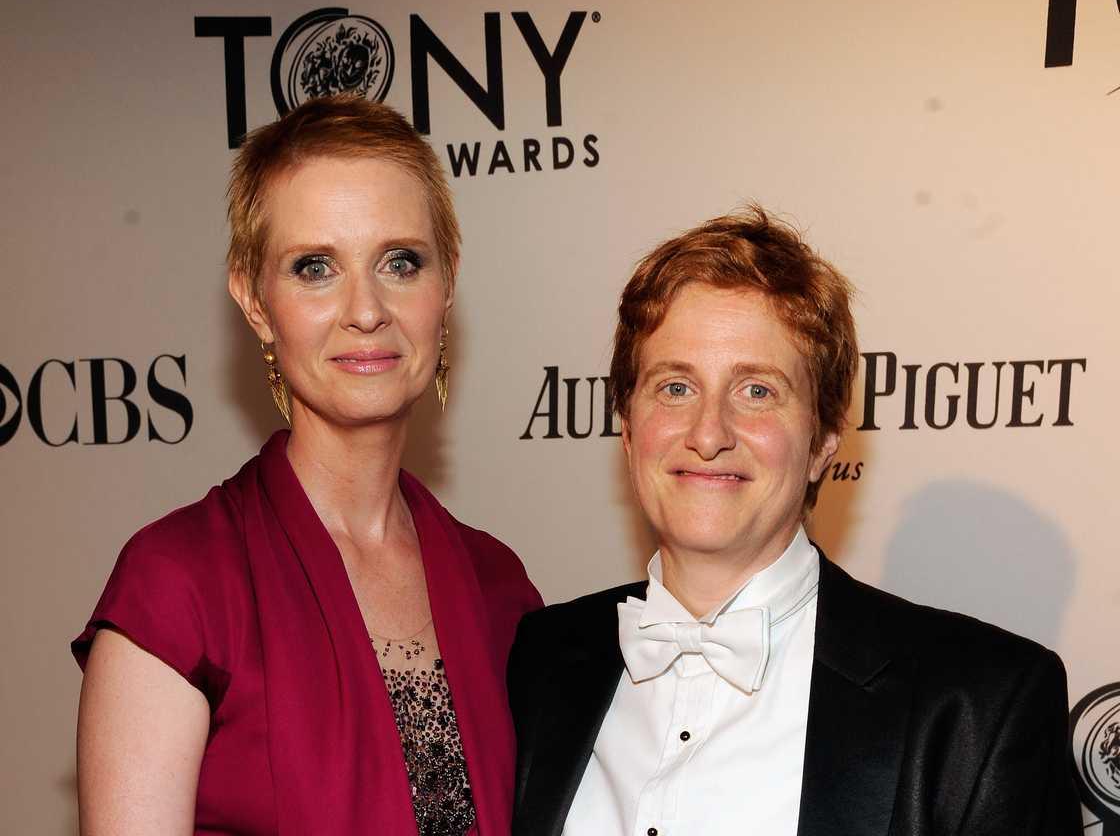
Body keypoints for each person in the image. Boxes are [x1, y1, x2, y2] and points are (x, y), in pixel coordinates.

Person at [507, 208, 1081, 835]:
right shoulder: (541, 661)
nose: (707, 433)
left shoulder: (980, 706)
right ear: (627, 425)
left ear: (824, 439)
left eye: (757, 390)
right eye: (675, 387)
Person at [72, 94, 541, 836]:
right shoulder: (178, 586)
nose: (365, 309)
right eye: (315, 267)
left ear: (447, 282)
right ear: (254, 301)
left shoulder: (502, 590)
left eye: (401, 261)